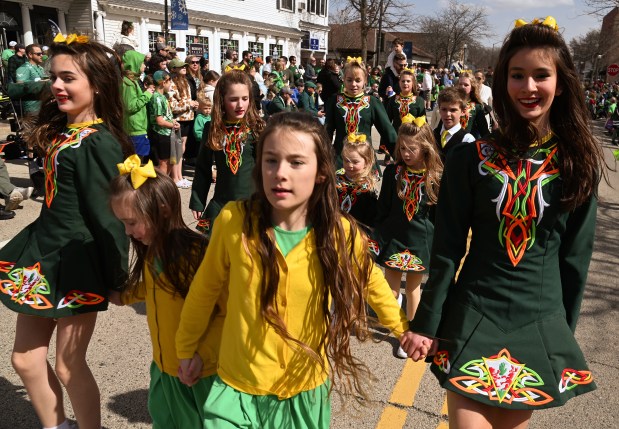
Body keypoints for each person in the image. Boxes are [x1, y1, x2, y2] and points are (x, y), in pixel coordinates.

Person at [404, 17, 604, 428]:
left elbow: (575, 262)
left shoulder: (577, 163)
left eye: (541, 75)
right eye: (517, 75)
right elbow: (446, 250)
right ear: (502, 81)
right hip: (473, 313)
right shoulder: (469, 158)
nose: (528, 87)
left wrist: (560, 338)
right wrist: (427, 323)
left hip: (538, 321)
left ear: (561, 83)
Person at [176, 112, 414, 428]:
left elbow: (373, 285)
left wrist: (405, 330)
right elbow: (204, 289)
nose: (280, 173)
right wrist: (185, 348)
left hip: (303, 389)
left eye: (296, 162)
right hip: (239, 386)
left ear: (320, 173)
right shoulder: (234, 221)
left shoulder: (338, 232)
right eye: (271, 160)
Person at [0, 35, 131, 429]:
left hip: (78, 262)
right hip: (44, 254)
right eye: (53, 77)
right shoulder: (62, 133)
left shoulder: (100, 143)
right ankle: (58, 425)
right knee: (24, 359)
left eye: (68, 78)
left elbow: (110, 217)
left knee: (69, 364)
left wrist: (117, 278)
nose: (56, 85)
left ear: (97, 85)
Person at [108, 156, 224, 428]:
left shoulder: (194, 255)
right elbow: (150, 287)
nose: (128, 231)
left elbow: (221, 313)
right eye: (123, 224)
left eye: (132, 222)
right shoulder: (155, 250)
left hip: (197, 372)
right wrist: (121, 296)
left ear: (162, 210)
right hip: (165, 367)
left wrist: (202, 356)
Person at [372, 115, 442, 359]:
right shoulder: (393, 172)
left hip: (420, 241)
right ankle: (399, 328)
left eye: (412, 148)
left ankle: (410, 335)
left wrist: (438, 244)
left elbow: (438, 216)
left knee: (413, 289)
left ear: (425, 147)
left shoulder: (435, 176)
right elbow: (384, 208)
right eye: (402, 148)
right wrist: (377, 237)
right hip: (395, 237)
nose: (406, 153)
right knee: (389, 289)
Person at [189, 70, 265, 236]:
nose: (240, 105)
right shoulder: (212, 128)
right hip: (221, 203)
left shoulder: (258, 128)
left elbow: (267, 169)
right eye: (233, 99)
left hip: (251, 204)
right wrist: (198, 200)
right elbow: (203, 167)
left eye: (245, 99)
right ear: (222, 100)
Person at [325, 58, 397, 165]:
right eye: (349, 80)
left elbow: (387, 131)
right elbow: (327, 132)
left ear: (365, 81)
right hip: (340, 160)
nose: (353, 84)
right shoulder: (334, 101)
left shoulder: (372, 102)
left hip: (365, 158)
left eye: (358, 80)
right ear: (343, 79)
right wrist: (322, 156)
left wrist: (399, 157)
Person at [168, 57, 197, 188]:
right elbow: (172, 105)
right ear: (173, 69)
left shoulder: (185, 81)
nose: (184, 68)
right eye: (181, 66)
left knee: (182, 148)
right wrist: (188, 103)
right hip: (178, 119)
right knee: (177, 149)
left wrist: (193, 105)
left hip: (187, 118)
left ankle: (179, 175)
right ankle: (175, 177)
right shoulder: (172, 83)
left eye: (185, 66)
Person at [336, 138, 378, 229]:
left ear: (366, 162)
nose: (349, 165)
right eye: (346, 160)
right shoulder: (336, 181)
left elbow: (371, 217)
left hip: (358, 232)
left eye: (355, 162)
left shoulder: (368, 187)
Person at [122, 49, 154, 161]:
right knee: (136, 162)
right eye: (142, 62)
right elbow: (130, 106)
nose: (144, 65)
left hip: (138, 127)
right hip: (134, 129)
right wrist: (147, 95)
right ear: (134, 63)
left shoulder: (133, 81)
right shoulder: (128, 83)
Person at [432, 87, 475, 162]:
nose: (448, 114)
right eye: (444, 109)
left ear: (463, 111)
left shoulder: (467, 139)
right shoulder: (433, 134)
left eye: (453, 110)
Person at [148, 70, 179, 176]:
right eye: (169, 80)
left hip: (168, 132)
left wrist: (173, 122)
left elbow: (166, 116)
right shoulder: (156, 97)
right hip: (161, 134)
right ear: (163, 82)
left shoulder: (163, 96)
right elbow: (159, 121)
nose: (170, 83)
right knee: (164, 163)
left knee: (170, 161)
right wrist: (172, 125)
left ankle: (167, 184)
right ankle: (162, 188)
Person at [13, 43, 48, 115]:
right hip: (32, 108)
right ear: (30, 55)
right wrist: (38, 81)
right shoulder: (24, 68)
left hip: (43, 105)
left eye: (42, 53)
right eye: (38, 54)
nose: (41, 56)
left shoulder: (40, 68)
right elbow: (20, 85)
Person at [457, 71, 490, 138]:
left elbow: (484, 131)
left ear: (472, 87)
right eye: (460, 84)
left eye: (466, 85)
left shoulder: (477, 106)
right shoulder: (451, 103)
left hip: (467, 145)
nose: (462, 87)